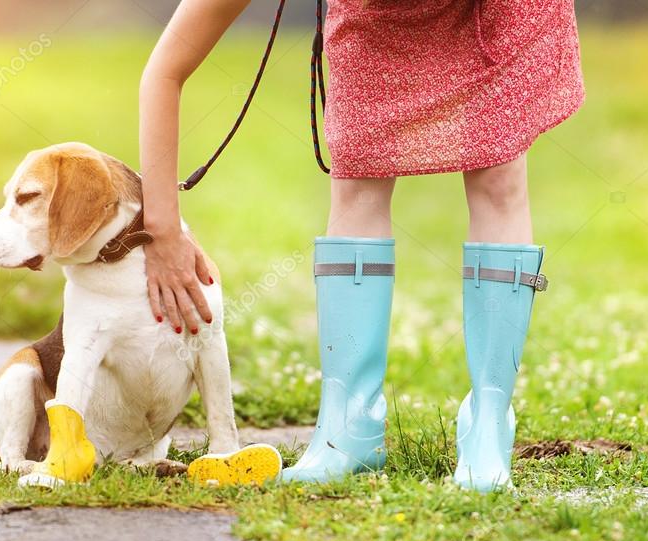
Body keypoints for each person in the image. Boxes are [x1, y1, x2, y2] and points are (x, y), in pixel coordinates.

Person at [139, 0, 585, 491]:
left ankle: (490, 421)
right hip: (373, 24)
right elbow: (165, 69)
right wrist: (162, 231)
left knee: (498, 178)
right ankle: (348, 428)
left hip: (494, 16)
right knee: (358, 180)